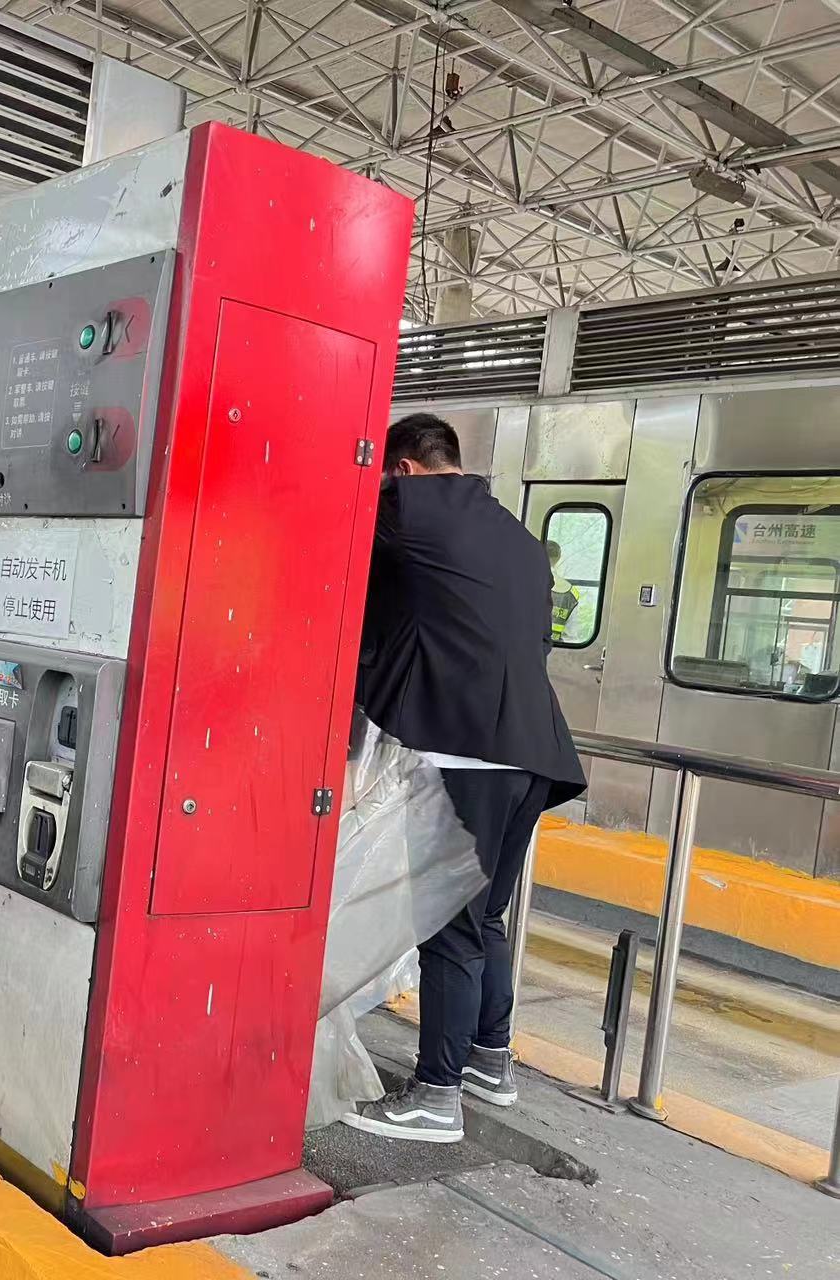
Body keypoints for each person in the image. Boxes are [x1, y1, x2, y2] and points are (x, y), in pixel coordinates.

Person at [342, 413, 586, 1145]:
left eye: (388, 478)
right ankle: (488, 1061)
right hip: (530, 753)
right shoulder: (513, 533)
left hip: (464, 753)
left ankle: (434, 1096)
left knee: (448, 924)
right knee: (483, 918)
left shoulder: (408, 508)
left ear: (404, 468)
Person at [547, 542, 580, 644]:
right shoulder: (571, 593)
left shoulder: (525, 582)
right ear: (559, 557)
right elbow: (571, 635)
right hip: (555, 650)